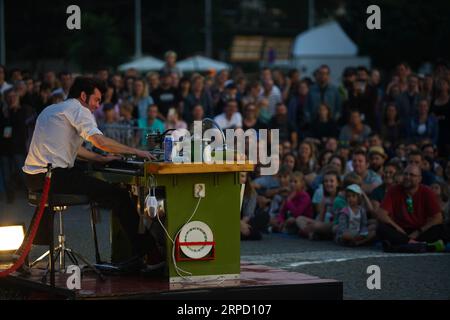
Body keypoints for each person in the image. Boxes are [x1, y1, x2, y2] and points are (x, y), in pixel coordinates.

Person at [18, 77, 161, 270]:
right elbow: (100, 142)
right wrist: (136, 151)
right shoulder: (79, 110)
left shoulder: (51, 110)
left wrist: (100, 159)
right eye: (96, 100)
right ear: (84, 96)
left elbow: (71, 149)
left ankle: (22, 255)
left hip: (33, 178)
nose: (97, 105)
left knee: (67, 186)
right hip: (54, 177)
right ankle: (150, 255)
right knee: (118, 196)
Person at [376, 164, 449, 251]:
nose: (407, 177)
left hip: (420, 231)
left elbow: (438, 218)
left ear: (419, 179)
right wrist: (399, 230)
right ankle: (420, 245)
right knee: (381, 228)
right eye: (405, 174)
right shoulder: (394, 190)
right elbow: (381, 214)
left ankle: (401, 246)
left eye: (411, 175)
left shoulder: (427, 192)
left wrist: (418, 231)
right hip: (400, 231)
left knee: (443, 228)